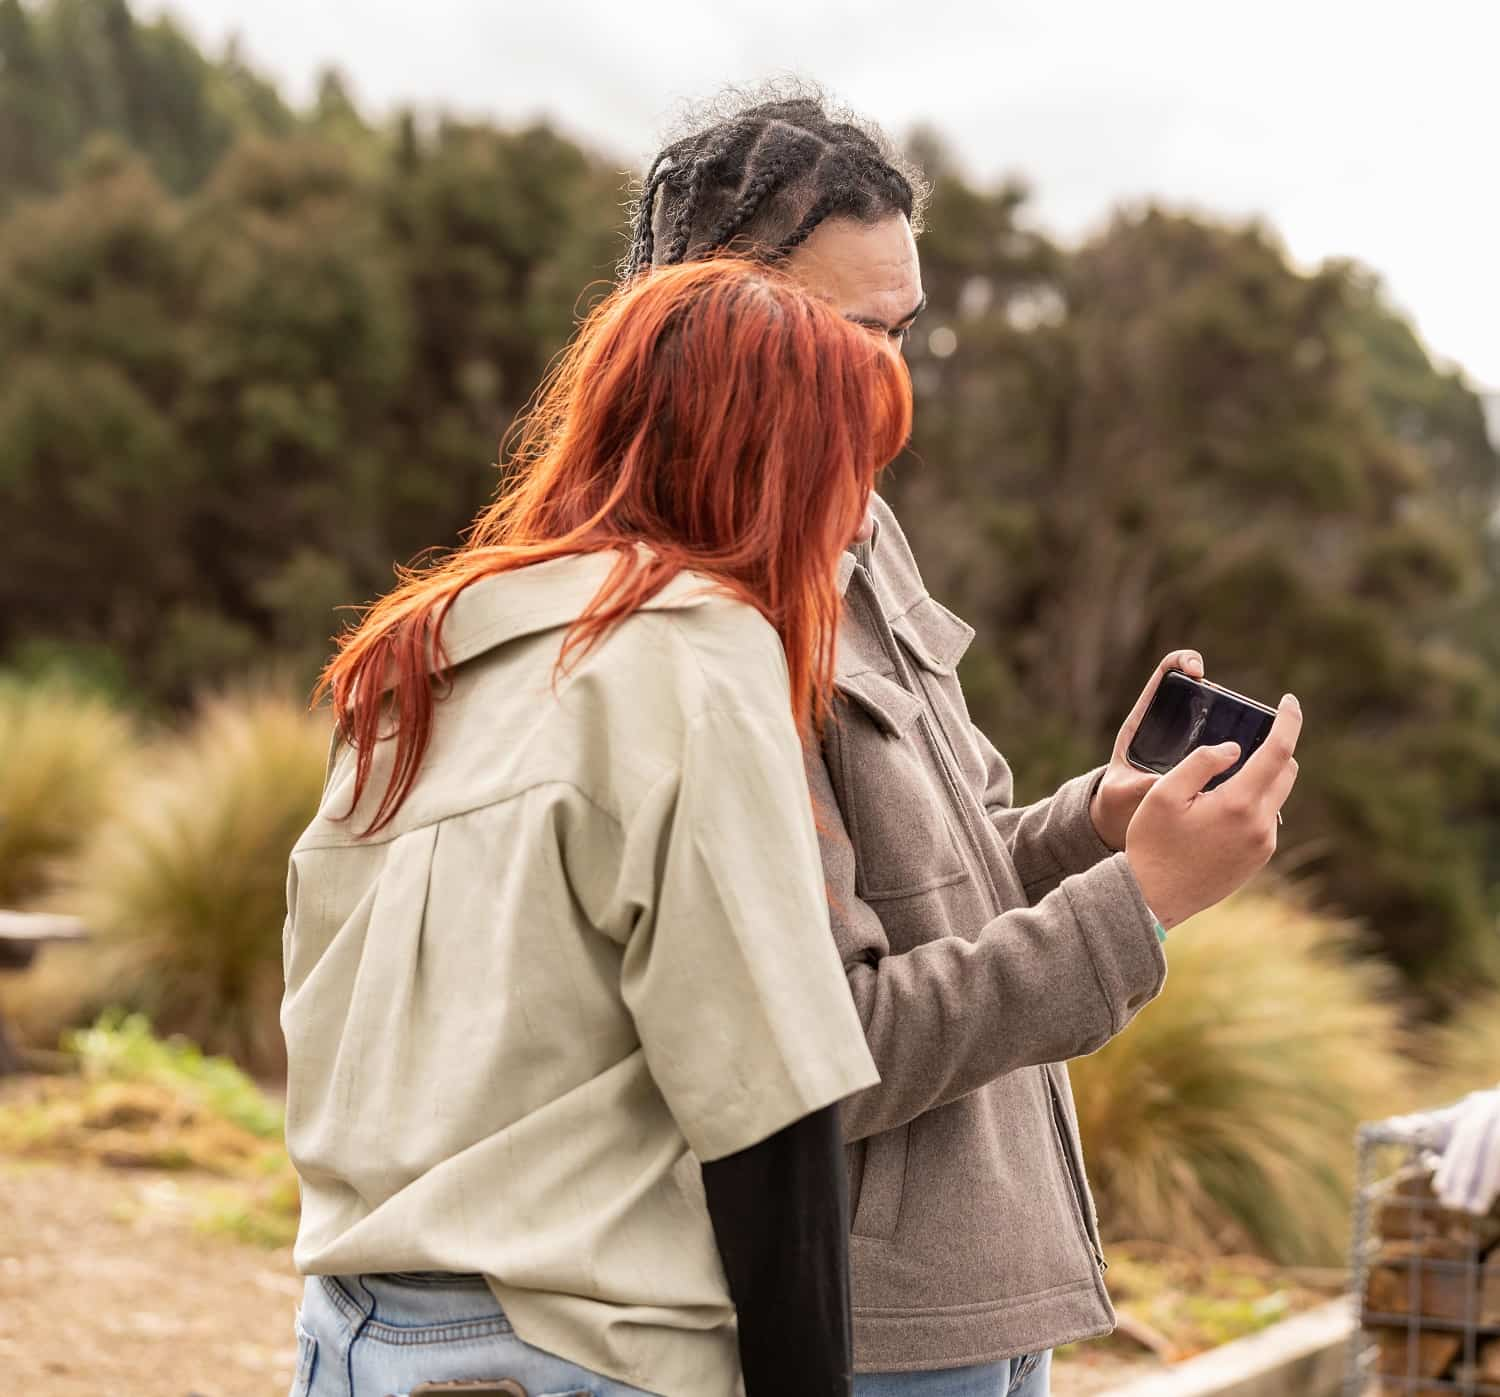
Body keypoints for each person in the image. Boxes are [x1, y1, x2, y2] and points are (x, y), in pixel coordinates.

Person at [624, 88, 1304, 1397]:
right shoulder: (694, 612)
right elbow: (825, 1044)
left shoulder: (863, 537)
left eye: (904, 334)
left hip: (986, 1298)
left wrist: (1091, 825)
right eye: (848, 334)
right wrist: (1143, 902)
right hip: (861, 1333)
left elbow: (924, 891)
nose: (886, 382)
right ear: (709, 321)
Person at [279, 257, 917, 1397]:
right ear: (762, 465)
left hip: (351, 1336)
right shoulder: (695, 653)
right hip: (572, 1357)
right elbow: (771, 1122)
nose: (863, 512)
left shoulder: (419, 656)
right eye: (845, 466)